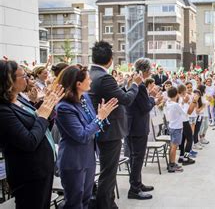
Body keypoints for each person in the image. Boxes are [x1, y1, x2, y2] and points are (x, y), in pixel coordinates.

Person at [0, 60, 64, 209]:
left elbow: (39, 123)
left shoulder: (19, 98)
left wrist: (48, 105)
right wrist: (43, 115)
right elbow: (29, 141)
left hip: (43, 168)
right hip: (29, 173)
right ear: (8, 80)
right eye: (24, 76)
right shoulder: (3, 110)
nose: (28, 79)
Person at [55, 65, 118, 208]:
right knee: (74, 201)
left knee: (86, 198)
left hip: (88, 157)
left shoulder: (85, 98)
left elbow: (93, 121)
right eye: (88, 79)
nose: (90, 81)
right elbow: (82, 135)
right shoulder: (64, 107)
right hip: (73, 160)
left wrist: (103, 115)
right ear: (78, 84)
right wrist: (100, 118)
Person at [88, 41, 141, 209]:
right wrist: (135, 85)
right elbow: (125, 99)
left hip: (100, 128)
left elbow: (116, 94)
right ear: (110, 60)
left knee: (106, 170)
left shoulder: (91, 74)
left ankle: (108, 202)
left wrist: (126, 87)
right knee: (108, 172)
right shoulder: (105, 77)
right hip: (109, 131)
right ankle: (106, 205)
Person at [127, 58, 158, 200]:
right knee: (137, 158)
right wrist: (152, 97)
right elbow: (145, 107)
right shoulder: (139, 86)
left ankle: (137, 184)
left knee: (136, 157)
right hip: (138, 127)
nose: (151, 71)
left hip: (133, 126)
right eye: (150, 69)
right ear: (144, 70)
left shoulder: (134, 82)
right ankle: (134, 189)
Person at [164, 86, 198, 172]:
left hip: (174, 125)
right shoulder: (176, 103)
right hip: (181, 123)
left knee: (181, 141)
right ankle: (185, 158)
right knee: (189, 139)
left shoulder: (169, 102)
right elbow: (187, 113)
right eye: (186, 90)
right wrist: (190, 102)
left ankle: (181, 157)